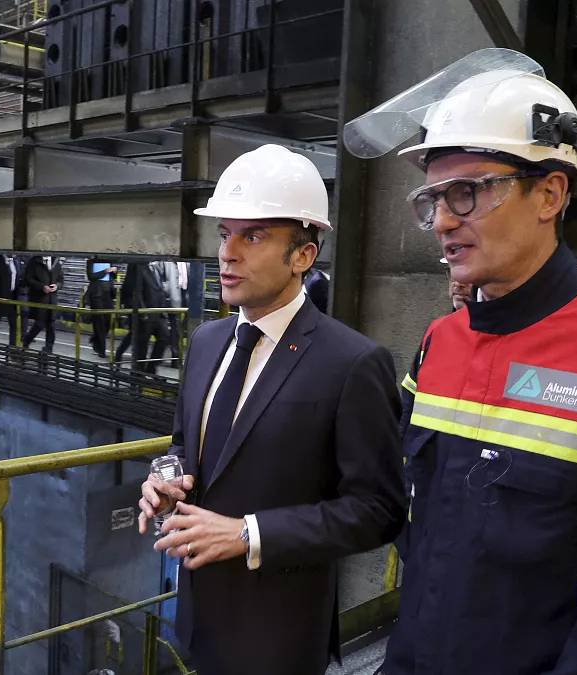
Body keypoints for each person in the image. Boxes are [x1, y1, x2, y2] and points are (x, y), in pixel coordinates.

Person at [342, 57, 577, 674]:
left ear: (550, 194)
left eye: (467, 192)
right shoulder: (442, 340)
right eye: (433, 199)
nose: (443, 221)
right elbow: (410, 509)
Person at [136, 144, 406, 675]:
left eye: (253, 236)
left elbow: (378, 510)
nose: (228, 253)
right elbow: (186, 445)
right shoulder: (207, 342)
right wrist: (165, 480)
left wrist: (248, 534)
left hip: (280, 631)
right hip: (201, 613)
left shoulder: (351, 363)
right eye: (224, 234)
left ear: (303, 256)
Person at [117, 261, 170, 373]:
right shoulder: (138, 266)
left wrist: (163, 310)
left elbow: (160, 289)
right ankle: (139, 371)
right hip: (145, 310)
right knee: (142, 343)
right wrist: (142, 312)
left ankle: (151, 366)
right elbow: (136, 291)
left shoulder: (156, 267)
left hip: (158, 311)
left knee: (164, 337)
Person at [23, 255, 63, 352]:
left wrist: (56, 286)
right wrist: (41, 287)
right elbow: (28, 278)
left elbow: (61, 279)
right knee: (40, 323)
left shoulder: (56, 262)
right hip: (39, 298)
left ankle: (49, 348)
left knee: (51, 324)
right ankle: (27, 341)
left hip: (52, 299)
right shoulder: (34, 261)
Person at [85, 259, 118, 358]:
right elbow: (91, 276)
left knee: (109, 320)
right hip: (96, 293)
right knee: (99, 321)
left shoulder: (109, 259)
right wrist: (105, 271)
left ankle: (96, 339)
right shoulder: (91, 261)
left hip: (108, 292)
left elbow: (113, 277)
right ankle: (101, 349)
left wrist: (114, 271)